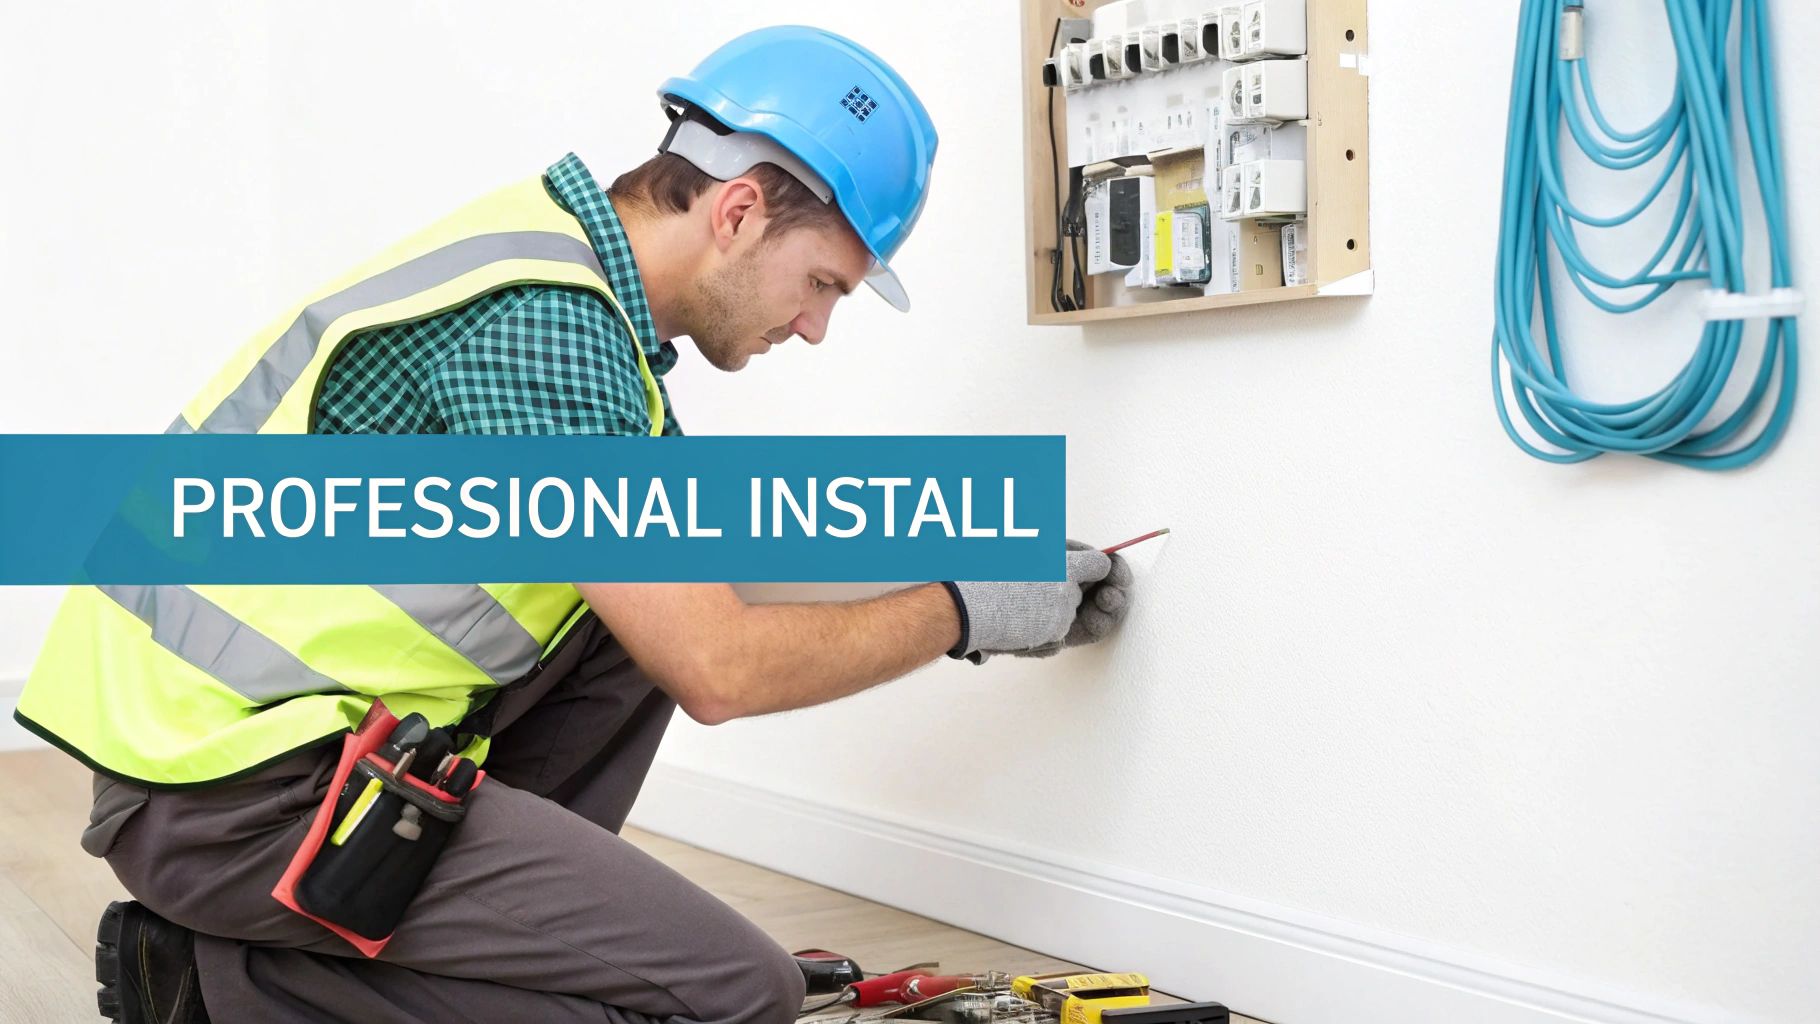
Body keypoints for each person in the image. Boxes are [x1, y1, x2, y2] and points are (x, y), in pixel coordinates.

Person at [16, 25, 1135, 1024]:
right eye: (824, 284)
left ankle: (448, 948)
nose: (813, 327)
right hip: (233, 792)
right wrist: (955, 613)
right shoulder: (546, 331)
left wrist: (979, 581)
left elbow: (709, 590)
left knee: (651, 598)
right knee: (735, 995)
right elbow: (720, 668)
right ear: (739, 212)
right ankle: (222, 986)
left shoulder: (569, 286)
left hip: (248, 760)